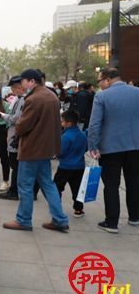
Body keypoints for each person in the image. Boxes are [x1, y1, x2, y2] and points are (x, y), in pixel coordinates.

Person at [3, 69, 69, 232]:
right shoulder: (51, 96)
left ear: (31, 81)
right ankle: (60, 219)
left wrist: (17, 125)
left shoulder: (33, 99)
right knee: (48, 184)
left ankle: (24, 220)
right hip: (46, 149)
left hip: (32, 148)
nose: (22, 85)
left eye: (23, 81)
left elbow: (23, 125)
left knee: (25, 185)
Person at [88, 68, 139, 233]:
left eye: (99, 81)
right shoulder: (137, 92)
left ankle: (112, 222)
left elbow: (94, 124)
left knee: (111, 184)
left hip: (110, 148)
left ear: (108, 79)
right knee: (134, 182)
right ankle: (134, 217)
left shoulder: (102, 96)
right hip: (135, 147)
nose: (99, 85)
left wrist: (93, 146)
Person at [54, 110, 87, 217]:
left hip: (65, 167)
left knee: (56, 187)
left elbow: (61, 152)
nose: (61, 123)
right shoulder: (82, 135)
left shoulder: (66, 136)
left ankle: (56, 206)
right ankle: (78, 209)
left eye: (62, 121)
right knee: (77, 188)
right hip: (79, 166)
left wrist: (56, 154)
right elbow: (86, 148)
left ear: (68, 123)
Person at [0, 75, 25, 200]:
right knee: (14, 164)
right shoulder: (18, 99)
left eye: (15, 88)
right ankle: (14, 188)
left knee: (15, 165)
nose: (13, 91)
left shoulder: (23, 100)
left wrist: (4, 116)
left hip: (16, 136)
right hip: (13, 135)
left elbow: (16, 118)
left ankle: (14, 191)